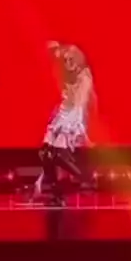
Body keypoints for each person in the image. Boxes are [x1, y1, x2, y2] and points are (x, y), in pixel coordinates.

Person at [31, 41, 95, 206]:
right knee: (46, 154)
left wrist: (79, 128)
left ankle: (84, 177)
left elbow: (81, 102)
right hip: (61, 114)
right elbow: (56, 55)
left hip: (72, 117)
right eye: (66, 61)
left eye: (71, 60)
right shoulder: (67, 74)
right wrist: (55, 50)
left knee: (58, 155)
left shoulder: (84, 76)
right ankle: (56, 194)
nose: (68, 63)